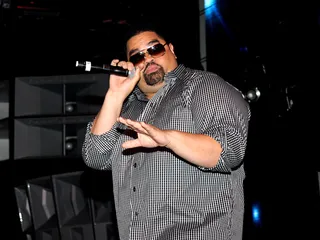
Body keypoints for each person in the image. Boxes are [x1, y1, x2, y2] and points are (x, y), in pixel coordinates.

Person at [82, 22, 251, 240]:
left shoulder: (202, 85)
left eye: (154, 49)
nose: (148, 59)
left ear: (171, 49)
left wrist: (167, 138)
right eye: (137, 57)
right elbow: (95, 156)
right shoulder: (127, 108)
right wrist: (115, 95)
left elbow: (228, 151)